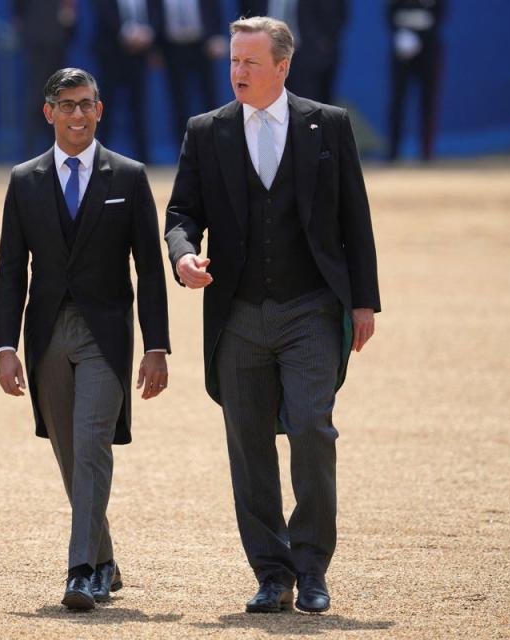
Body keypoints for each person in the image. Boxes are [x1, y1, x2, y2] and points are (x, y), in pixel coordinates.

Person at [164, 16, 379, 614]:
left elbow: (353, 217)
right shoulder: (206, 131)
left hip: (311, 306)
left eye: (250, 63)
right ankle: (271, 571)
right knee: (248, 443)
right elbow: (181, 213)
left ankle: (312, 568)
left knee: (312, 427)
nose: (237, 72)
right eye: (233, 61)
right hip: (235, 313)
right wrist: (184, 257)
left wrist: (363, 301)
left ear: (282, 67)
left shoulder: (327, 125)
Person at [0, 68, 170, 610]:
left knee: (92, 443)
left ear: (101, 109)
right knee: (72, 455)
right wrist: (5, 347)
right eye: (66, 105)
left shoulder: (129, 176)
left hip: (106, 337)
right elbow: (9, 270)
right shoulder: (24, 180)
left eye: (86, 104)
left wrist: (156, 346)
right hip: (45, 337)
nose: (77, 114)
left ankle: (82, 570)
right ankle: (107, 559)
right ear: (49, 113)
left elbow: (149, 269)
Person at [152, 0, 227, 150]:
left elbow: (213, 8)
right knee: (178, 103)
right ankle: (186, 152)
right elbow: (154, 13)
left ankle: (215, 149)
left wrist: (217, 35)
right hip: (172, 48)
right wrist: (155, 48)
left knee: (209, 101)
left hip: (202, 47)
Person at [92, 0, 160, 162]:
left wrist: (148, 33)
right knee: (105, 109)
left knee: (139, 108)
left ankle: (144, 161)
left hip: (139, 55)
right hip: (111, 53)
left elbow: (156, 11)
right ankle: (98, 160)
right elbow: (103, 10)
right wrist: (126, 33)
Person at [12, 0, 77, 156]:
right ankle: (31, 152)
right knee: (41, 96)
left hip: (54, 39)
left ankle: (54, 151)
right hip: (43, 38)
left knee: (53, 96)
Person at [387, 0, 445, 161]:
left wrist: (423, 37)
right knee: (398, 100)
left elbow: (441, 13)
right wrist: (400, 33)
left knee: (429, 100)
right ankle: (393, 151)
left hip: (429, 49)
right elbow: (390, 12)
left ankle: (427, 152)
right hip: (402, 49)